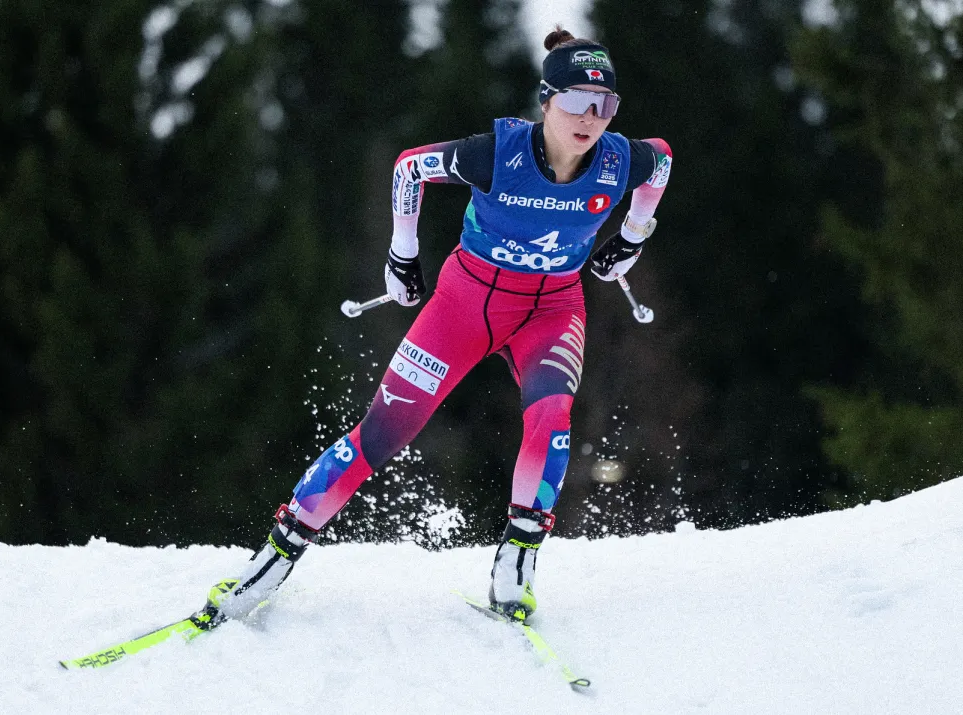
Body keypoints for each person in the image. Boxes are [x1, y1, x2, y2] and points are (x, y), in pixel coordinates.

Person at [193, 26, 673, 626]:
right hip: (464, 304)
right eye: (576, 102)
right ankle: (273, 559)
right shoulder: (498, 153)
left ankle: (515, 563)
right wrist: (401, 256)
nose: (591, 119)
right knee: (382, 433)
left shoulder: (619, 160)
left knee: (550, 415)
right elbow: (409, 168)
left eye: (604, 106)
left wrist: (632, 238)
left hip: (552, 310)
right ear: (545, 100)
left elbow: (663, 162)